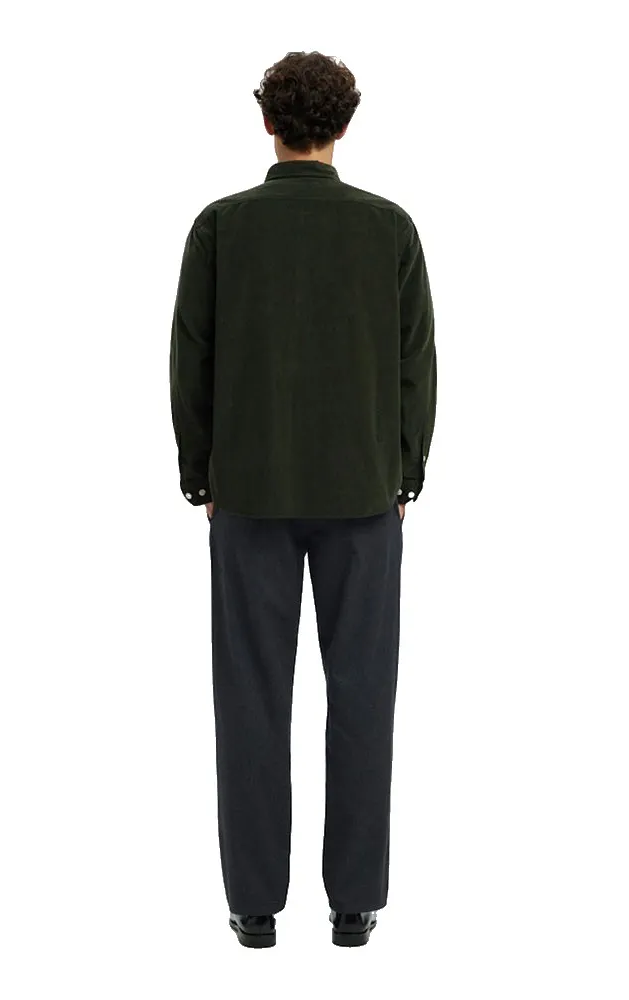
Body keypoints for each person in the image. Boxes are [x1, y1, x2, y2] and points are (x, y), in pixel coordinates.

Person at [168, 50, 437, 948]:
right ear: (345, 125)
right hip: (364, 496)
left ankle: (254, 907)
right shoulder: (388, 228)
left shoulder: (222, 226)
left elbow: (191, 359)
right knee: (363, 696)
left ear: (267, 122)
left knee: (249, 697)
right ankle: (354, 907)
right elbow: (416, 363)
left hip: (249, 495)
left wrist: (201, 476)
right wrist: (405, 474)